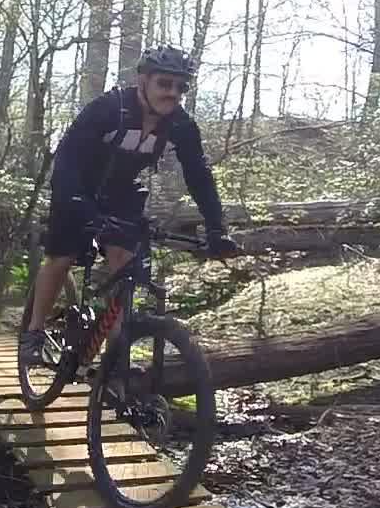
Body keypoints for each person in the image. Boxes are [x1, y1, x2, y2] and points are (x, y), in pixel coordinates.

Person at [21, 46, 239, 366]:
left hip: (121, 194)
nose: (173, 93)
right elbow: (66, 163)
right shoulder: (108, 109)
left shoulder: (180, 124)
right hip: (76, 188)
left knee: (124, 265)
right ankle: (34, 333)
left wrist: (217, 228)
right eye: (164, 84)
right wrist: (82, 209)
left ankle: (115, 357)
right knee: (61, 257)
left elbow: (199, 176)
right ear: (142, 81)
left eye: (181, 87)